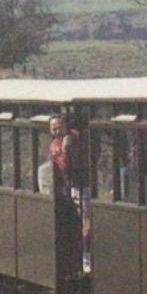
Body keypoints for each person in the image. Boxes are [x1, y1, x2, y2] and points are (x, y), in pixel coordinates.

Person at [48, 114, 91, 273]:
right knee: (86, 222)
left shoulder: (75, 136)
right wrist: (66, 148)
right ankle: (85, 259)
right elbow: (66, 167)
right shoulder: (55, 147)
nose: (57, 131)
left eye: (60, 127)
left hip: (85, 184)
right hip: (72, 187)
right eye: (54, 128)